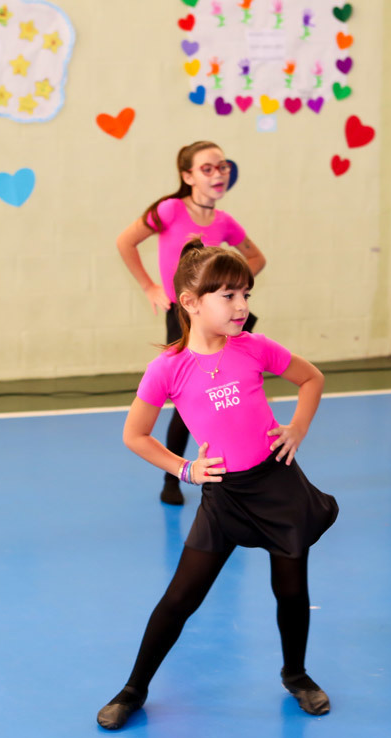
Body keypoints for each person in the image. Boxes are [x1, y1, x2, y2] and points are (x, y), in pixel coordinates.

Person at [97, 240, 337, 730]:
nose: (241, 305)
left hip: (278, 485)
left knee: (291, 590)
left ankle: (296, 675)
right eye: (228, 295)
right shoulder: (168, 368)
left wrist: (297, 428)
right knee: (181, 598)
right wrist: (184, 469)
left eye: (245, 293)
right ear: (190, 302)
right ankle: (134, 689)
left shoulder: (254, 348)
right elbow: (135, 435)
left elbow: (311, 378)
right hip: (224, 496)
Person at [116, 141, 266, 505]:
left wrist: (230, 291)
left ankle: (243, 465)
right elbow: (125, 242)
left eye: (223, 167)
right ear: (188, 176)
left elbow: (256, 259)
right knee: (188, 402)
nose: (218, 174)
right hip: (185, 319)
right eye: (207, 169)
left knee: (233, 392)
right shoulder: (169, 210)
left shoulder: (224, 222)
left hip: (222, 321)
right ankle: (174, 477)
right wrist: (149, 286)